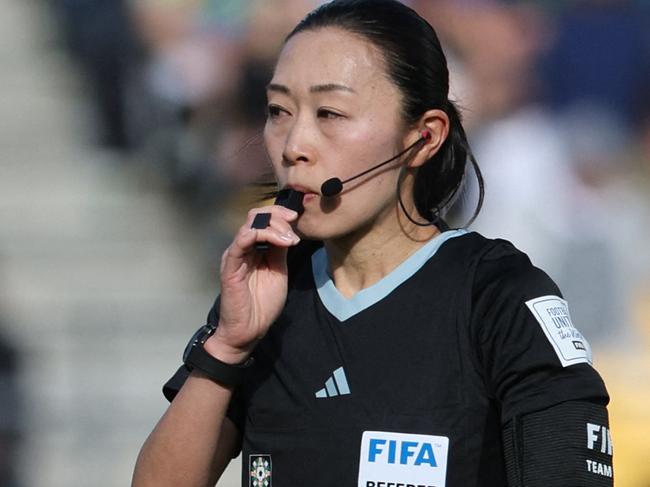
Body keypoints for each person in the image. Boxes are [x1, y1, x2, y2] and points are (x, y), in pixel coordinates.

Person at [132, 1, 613, 486]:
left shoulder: (498, 297)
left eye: (330, 113)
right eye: (278, 110)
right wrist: (229, 346)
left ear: (424, 137)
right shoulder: (268, 292)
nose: (294, 144)